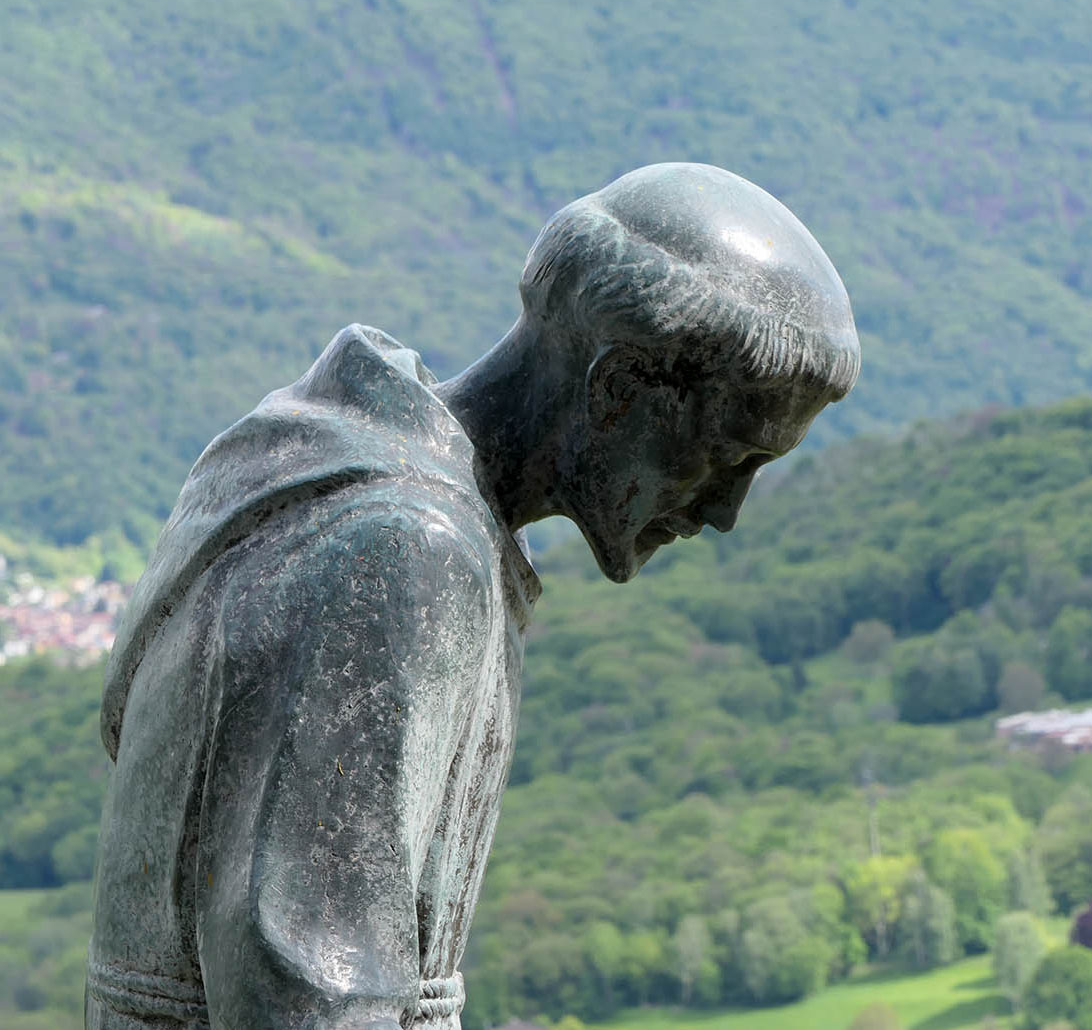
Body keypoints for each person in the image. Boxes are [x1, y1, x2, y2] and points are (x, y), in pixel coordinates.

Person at [86, 162, 859, 1030]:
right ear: (619, 391)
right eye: (729, 455)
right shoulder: (405, 554)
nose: (725, 511)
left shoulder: (322, 454)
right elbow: (312, 992)